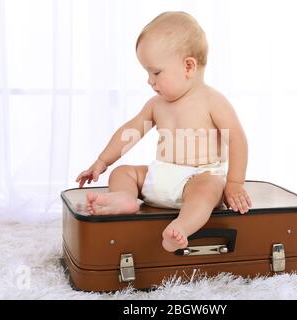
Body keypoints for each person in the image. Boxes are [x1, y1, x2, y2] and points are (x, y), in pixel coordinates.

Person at [76, 11, 252, 252]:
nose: (150, 81)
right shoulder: (155, 105)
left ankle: (181, 228)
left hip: (198, 177)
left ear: (188, 66)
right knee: (123, 172)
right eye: (147, 73)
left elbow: (238, 140)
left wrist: (234, 183)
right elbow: (130, 132)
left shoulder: (212, 101)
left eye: (156, 72)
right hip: (160, 176)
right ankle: (125, 197)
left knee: (209, 189)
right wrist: (102, 161)